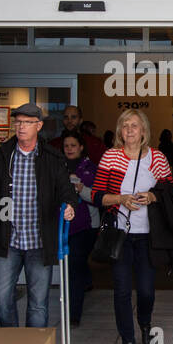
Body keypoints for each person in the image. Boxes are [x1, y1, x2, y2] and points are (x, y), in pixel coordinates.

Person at [0, 103, 75, 328]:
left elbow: (65, 188)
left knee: (38, 302)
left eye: (27, 122)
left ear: (38, 126)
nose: (20, 127)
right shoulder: (3, 155)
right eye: (17, 122)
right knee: (1, 296)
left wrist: (69, 205)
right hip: (9, 239)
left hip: (40, 240)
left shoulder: (52, 157)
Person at [92, 109, 173, 344]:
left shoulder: (157, 158)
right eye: (125, 125)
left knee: (147, 291)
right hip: (121, 235)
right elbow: (96, 195)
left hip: (148, 236)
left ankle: (146, 324)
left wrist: (152, 196)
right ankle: (127, 342)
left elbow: (171, 192)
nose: (129, 130)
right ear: (120, 131)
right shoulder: (110, 157)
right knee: (121, 290)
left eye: (135, 125)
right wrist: (120, 199)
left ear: (143, 131)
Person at [60, 130, 97, 326]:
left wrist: (81, 189)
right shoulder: (58, 167)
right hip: (63, 225)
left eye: (73, 145)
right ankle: (85, 281)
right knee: (74, 266)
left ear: (81, 147)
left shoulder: (91, 168)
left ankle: (74, 314)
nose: (69, 149)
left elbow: (98, 197)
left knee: (75, 265)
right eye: (66, 146)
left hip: (86, 226)